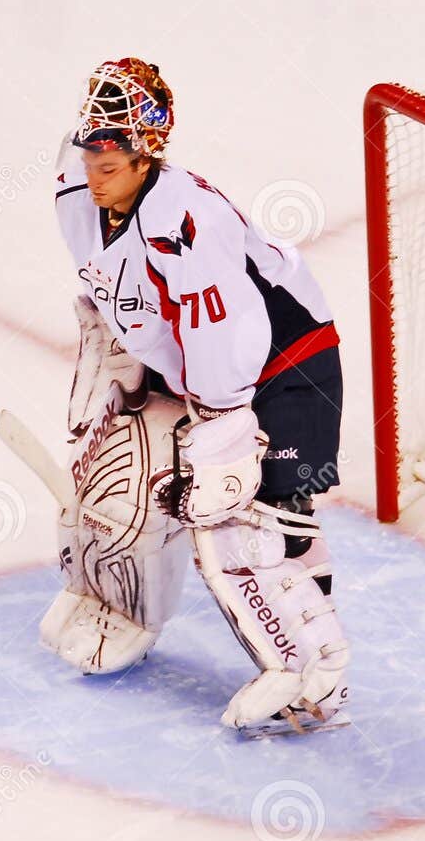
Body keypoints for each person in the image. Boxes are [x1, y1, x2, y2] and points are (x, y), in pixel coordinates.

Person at [40, 56, 349, 733]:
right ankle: (123, 610)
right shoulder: (75, 189)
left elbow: (228, 338)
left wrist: (222, 441)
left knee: (252, 523)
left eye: (111, 160)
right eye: (91, 152)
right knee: (114, 482)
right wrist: (116, 351)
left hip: (284, 370)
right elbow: (111, 291)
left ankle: (314, 673)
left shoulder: (186, 222)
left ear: (146, 152)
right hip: (191, 370)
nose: (96, 172)